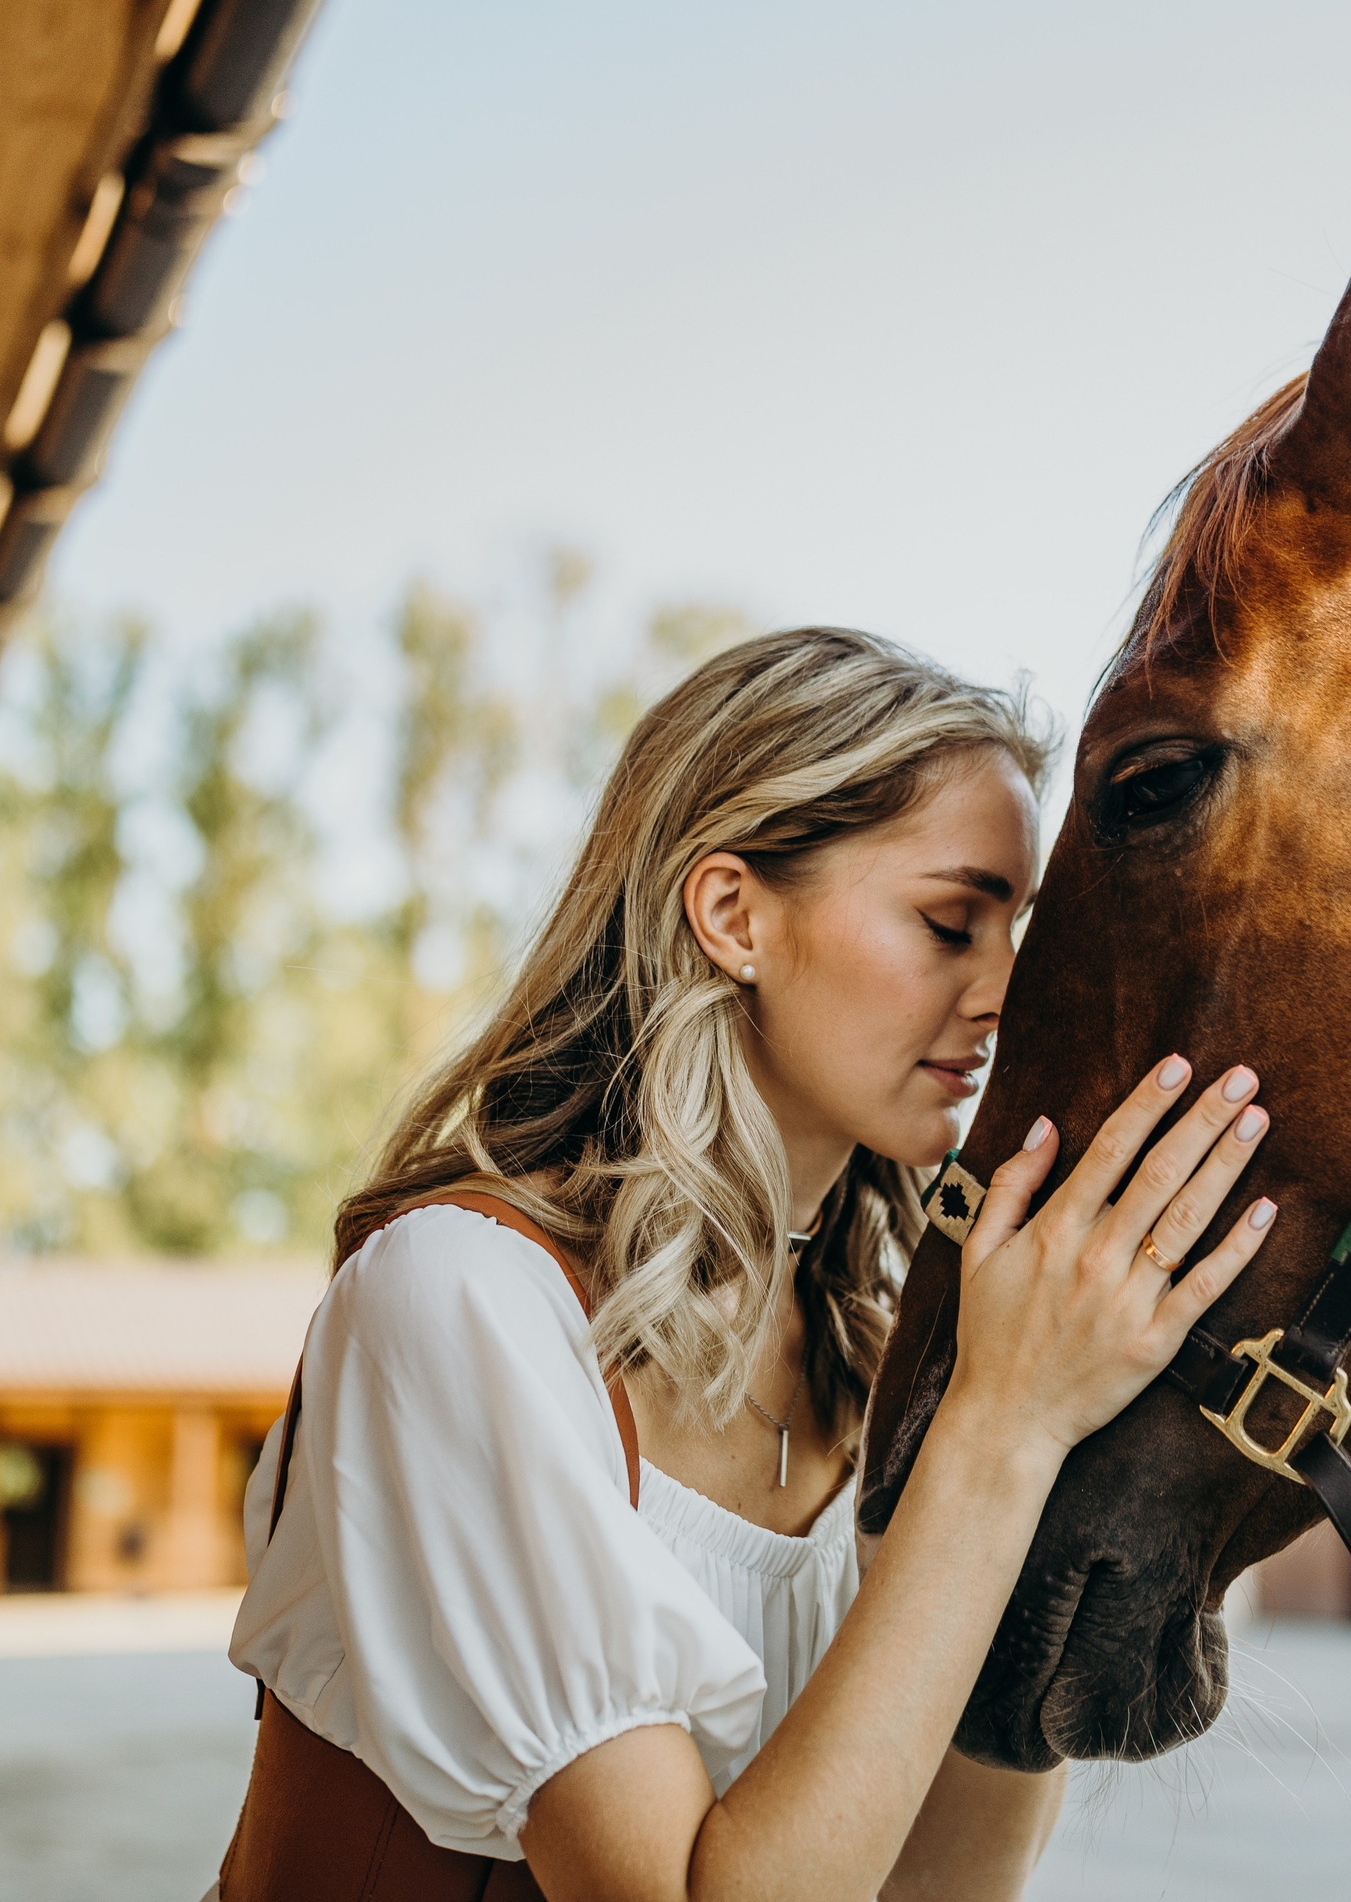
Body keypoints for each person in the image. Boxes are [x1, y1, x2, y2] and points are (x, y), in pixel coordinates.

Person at [215, 628, 1275, 1900]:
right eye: (950, 922)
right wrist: (1003, 1431)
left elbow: (934, 1889)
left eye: (1018, 932)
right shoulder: (459, 1299)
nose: (1007, 992)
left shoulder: (887, 1360)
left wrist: (1053, 1449)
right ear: (732, 915)